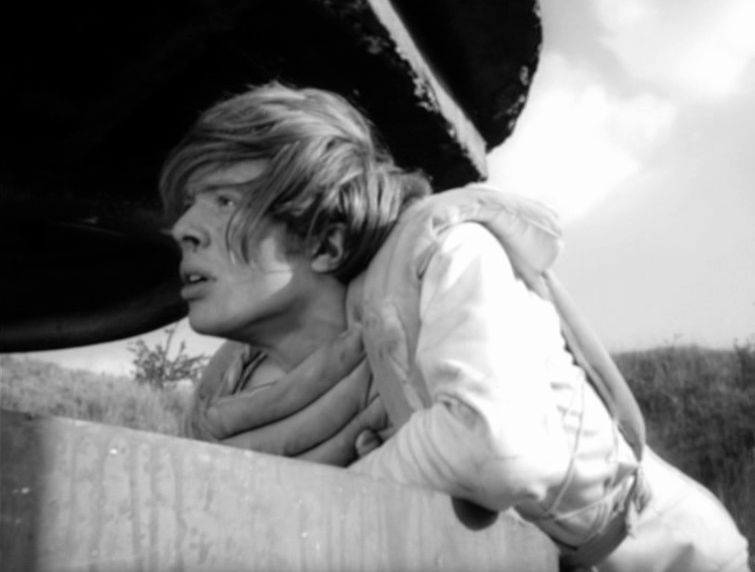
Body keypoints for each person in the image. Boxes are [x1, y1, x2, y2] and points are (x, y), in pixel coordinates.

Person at [161, 82, 750, 571]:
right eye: (189, 203)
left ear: (326, 243)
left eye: (224, 202)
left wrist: (310, 506)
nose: (182, 227)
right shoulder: (232, 386)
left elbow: (496, 448)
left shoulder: (447, 255)